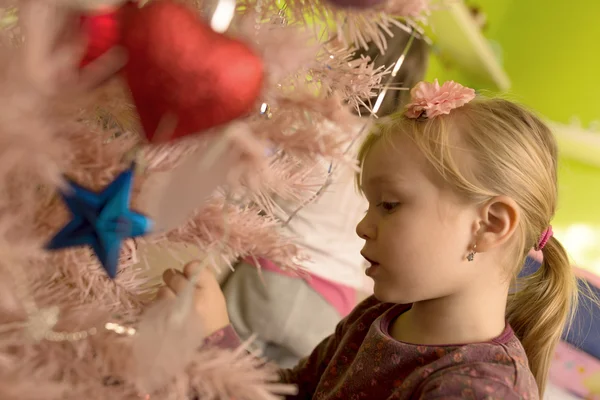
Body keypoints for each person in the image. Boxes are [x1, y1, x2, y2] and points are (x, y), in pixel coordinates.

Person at [160, 79, 580, 399]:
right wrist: (217, 341)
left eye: (390, 204)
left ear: (489, 225)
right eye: (370, 204)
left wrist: (218, 344)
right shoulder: (378, 315)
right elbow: (293, 392)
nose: (363, 226)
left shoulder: (482, 389)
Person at [219, 28, 429, 368]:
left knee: (214, 366)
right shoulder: (392, 156)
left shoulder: (309, 125)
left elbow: (255, 185)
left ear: (351, 61)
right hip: (331, 305)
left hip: (266, 274)